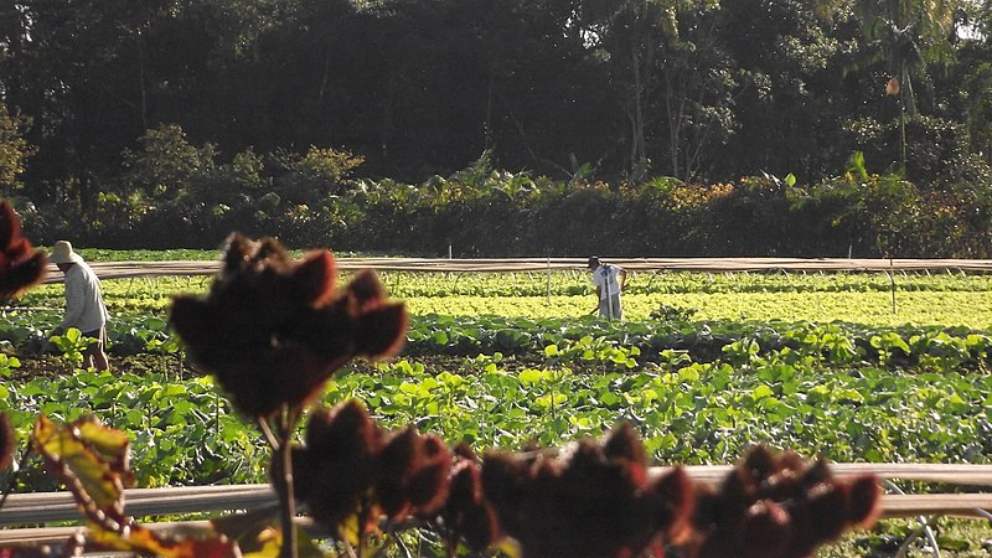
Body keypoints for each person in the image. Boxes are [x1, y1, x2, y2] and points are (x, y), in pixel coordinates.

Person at [50, 241, 110, 371]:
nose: (57, 265)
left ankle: (105, 378)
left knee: (95, 352)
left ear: (65, 261)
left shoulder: (76, 276)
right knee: (88, 353)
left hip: (89, 320)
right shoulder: (79, 268)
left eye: (59, 262)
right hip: (92, 317)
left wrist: (63, 327)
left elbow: (77, 307)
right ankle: (92, 379)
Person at [588, 256, 627, 320]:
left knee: (604, 319)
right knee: (617, 317)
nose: (592, 269)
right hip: (616, 293)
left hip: (605, 297)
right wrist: (622, 285)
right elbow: (624, 272)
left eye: (591, 267)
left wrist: (600, 301)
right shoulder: (611, 266)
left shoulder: (596, 273)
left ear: (594, 265)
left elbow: (599, 289)